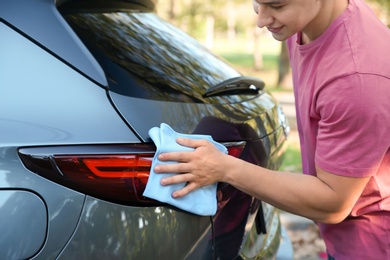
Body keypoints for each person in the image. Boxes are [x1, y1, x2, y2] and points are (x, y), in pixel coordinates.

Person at [154, 0, 390, 258]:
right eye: (258, 3)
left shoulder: (356, 81)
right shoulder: (306, 25)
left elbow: (333, 203)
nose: (261, 20)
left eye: (276, 5)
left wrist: (225, 168)